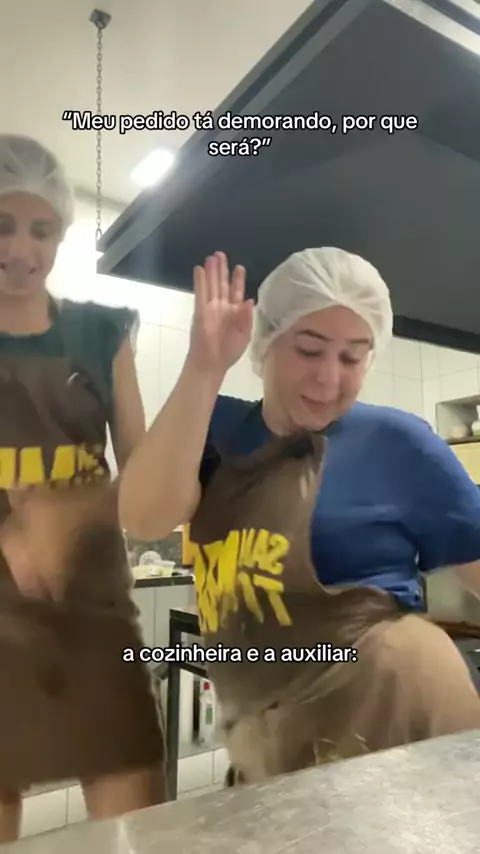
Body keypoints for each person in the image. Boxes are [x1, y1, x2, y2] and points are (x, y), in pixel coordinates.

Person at [119, 248, 480, 785]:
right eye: (309, 349)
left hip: (394, 718)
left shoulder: (398, 444)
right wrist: (204, 366)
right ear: (266, 343)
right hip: (266, 739)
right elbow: (145, 519)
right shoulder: (216, 430)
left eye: (352, 358)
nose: (328, 378)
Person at [0, 134, 166, 842]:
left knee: (143, 831)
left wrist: (67, 515)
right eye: (3, 225)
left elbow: (148, 489)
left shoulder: (103, 334)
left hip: (95, 615)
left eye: (41, 229)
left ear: (61, 234)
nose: (21, 249)